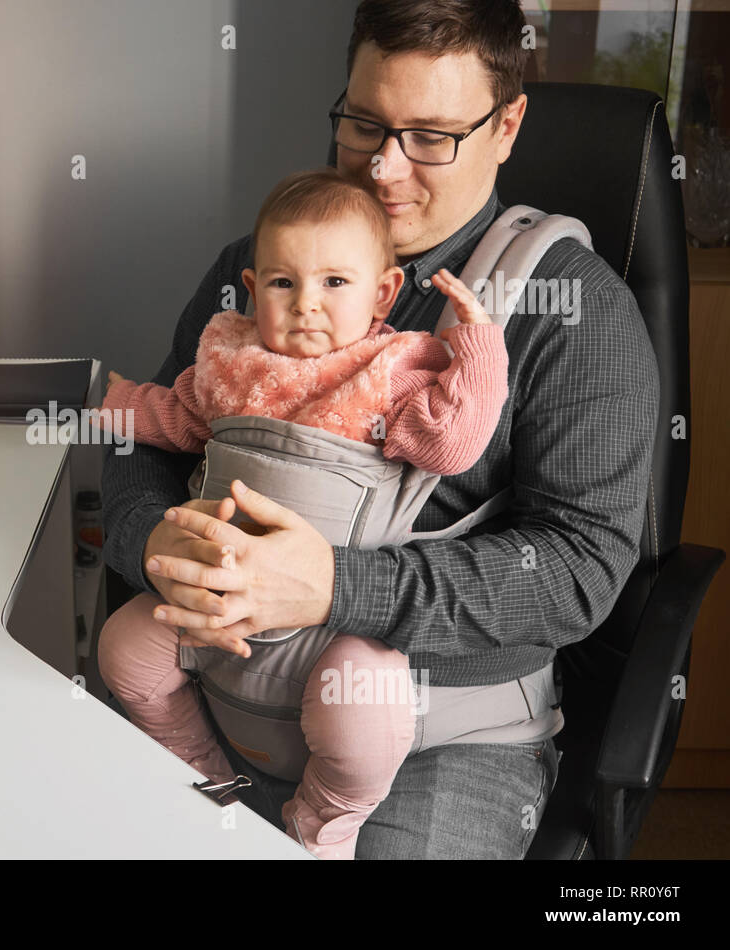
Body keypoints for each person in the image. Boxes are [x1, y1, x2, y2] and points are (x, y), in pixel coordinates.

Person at [99, 0, 659, 859]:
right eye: (363, 124)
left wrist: (335, 588)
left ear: (507, 125)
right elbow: (153, 436)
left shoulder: (574, 313)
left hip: (437, 736)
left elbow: (578, 571)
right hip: (212, 688)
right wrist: (155, 546)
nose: (383, 170)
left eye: (431, 136)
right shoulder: (264, 268)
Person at [97, 168, 510, 859]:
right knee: (124, 652)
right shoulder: (229, 363)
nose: (306, 305)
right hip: (216, 610)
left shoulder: (390, 372)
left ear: (382, 294)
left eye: (335, 284)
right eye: (283, 284)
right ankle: (207, 777)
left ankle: (323, 823)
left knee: (368, 712)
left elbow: (453, 443)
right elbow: (174, 416)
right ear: (254, 289)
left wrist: (478, 348)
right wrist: (111, 403)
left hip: (336, 623)